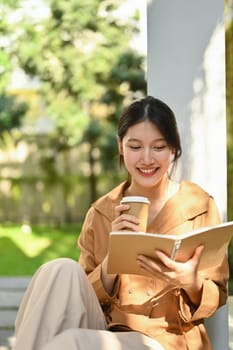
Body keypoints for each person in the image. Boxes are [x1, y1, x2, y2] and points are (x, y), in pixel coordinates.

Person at [13, 96, 229, 350]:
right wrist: (109, 265)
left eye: (158, 147)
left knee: (69, 342)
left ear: (173, 149)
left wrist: (189, 280)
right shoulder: (102, 212)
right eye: (135, 147)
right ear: (120, 146)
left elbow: (217, 295)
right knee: (60, 269)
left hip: (165, 341)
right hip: (105, 332)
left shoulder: (199, 206)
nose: (146, 159)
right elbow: (75, 302)